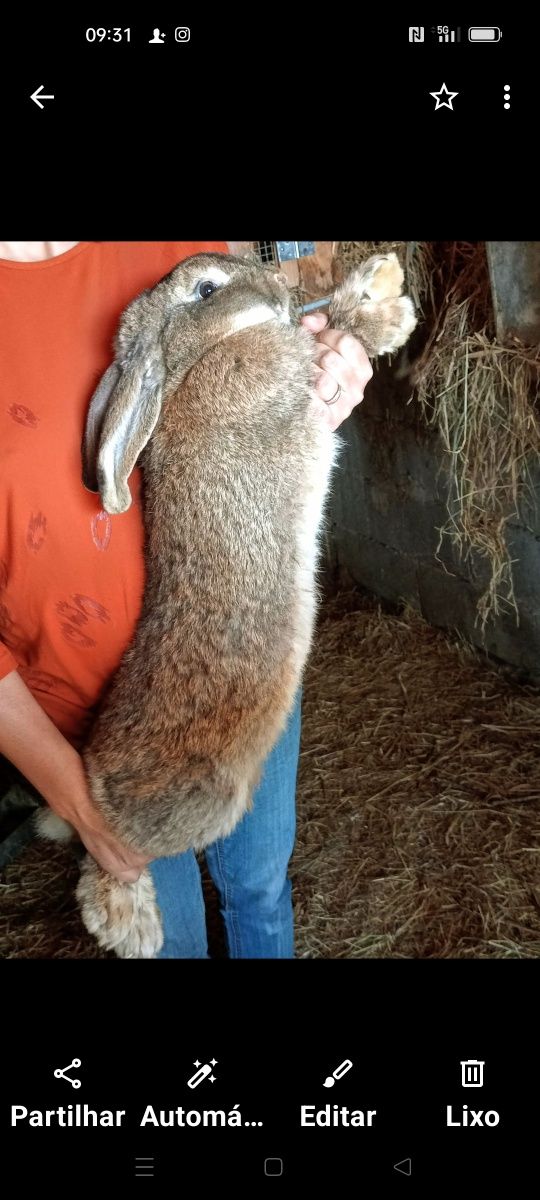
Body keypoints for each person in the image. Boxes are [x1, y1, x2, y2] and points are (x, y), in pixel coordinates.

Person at [0, 241, 372, 957]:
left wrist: (328, 372)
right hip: (110, 737)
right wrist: (80, 803)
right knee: (176, 942)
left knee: (260, 888)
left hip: (245, 663)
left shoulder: (176, 257)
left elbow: (277, 331)